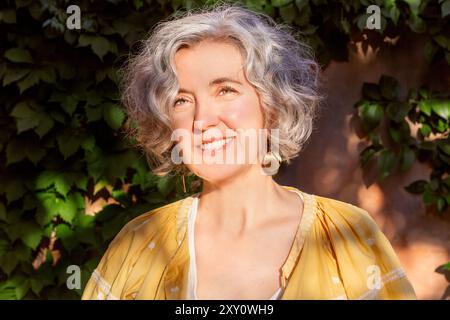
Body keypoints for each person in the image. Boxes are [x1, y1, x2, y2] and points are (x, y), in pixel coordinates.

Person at [81, 4, 416, 300]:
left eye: (225, 90)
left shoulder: (346, 234)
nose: (202, 120)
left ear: (271, 105)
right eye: (181, 100)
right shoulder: (138, 243)